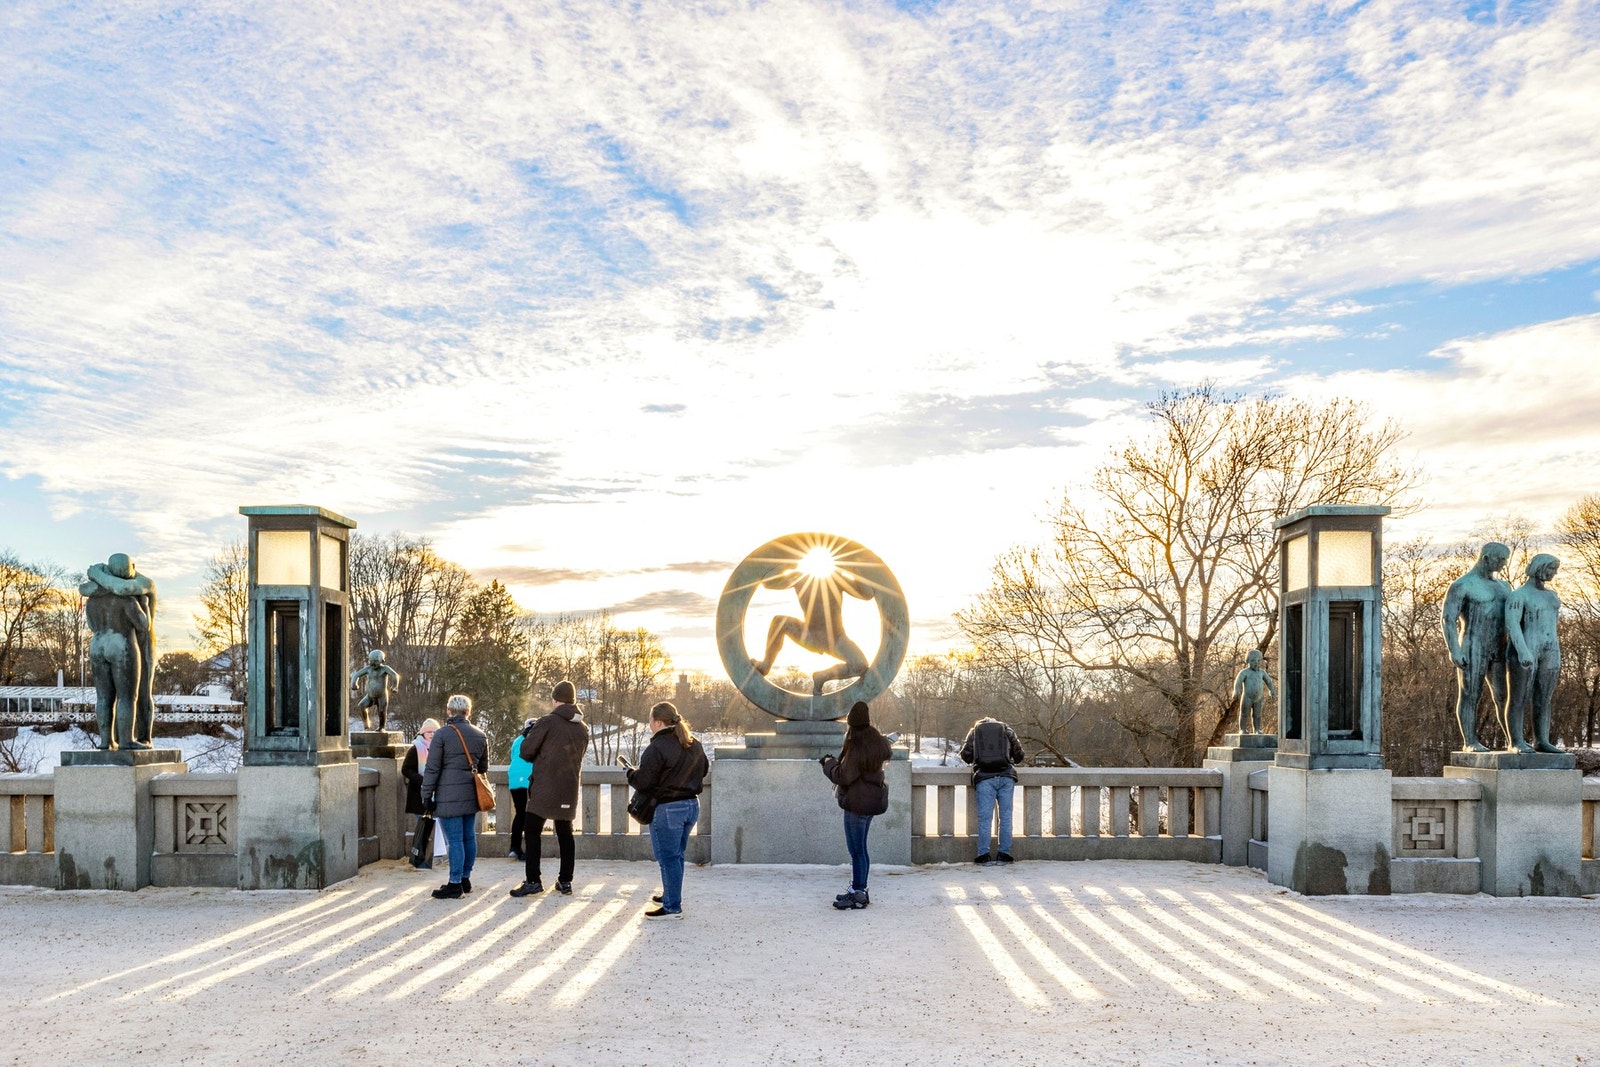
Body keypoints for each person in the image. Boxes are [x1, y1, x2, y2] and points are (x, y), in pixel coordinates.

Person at [627, 701, 708, 919]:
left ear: (659, 722)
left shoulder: (657, 747)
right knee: (677, 855)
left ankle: (672, 906)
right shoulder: (694, 743)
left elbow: (644, 781)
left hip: (669, 809)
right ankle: (671, 895)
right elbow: (704, 769)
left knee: (668, 858)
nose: (649, 724)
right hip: (692, 805)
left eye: (651, 720)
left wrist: (630, 774)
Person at [510, 680, 589, 899]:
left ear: (555, 700)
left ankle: (533, 880)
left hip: (545, 787)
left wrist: (528, 734)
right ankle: (565, 881)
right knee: (565, 833)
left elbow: (526, 752)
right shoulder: (582, 728)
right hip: (569, 787)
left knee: (532, 830)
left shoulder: (547, 722)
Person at [820, 701, 893, 910]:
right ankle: (859, 890)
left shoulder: (856, 745)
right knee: (862, 850)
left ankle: (858, 894)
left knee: (857, 851)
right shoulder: (875, 741)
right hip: (871, 803)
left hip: (857, 804)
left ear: (851, 723)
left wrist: (828, 764)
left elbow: (843, 776)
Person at [1442, 542, 1512, 751]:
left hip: (1500, 647)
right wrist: (1454, 649)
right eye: (1500, 559)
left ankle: (1513, 740)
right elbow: (1447, 619)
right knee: (1471, 693)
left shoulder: (1504, 587)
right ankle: (1470, 742)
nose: (1503, 564)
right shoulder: (1463, 585)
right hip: (1473, 645)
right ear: (1486, 558)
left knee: (1504, 696)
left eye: (1505, 560)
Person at [420, 695, 489, 900]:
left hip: (448, 795)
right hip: (470, 793)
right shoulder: (480, 734)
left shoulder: (442, 735)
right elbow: (483, 768)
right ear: (468, 712)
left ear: (448, 711)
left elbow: (432, 768)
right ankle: (466, 877)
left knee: (454, 840)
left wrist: (426, 795)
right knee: (469, 836)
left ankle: (455, 883)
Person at [1505, 554, 1565, 754]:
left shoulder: (1551, 596)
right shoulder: (1519, 595)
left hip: (1550, 649)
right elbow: (1512, 624)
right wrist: (1522, 650)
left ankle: (1542, 740)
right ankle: (1516, 741)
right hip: (1526, 647)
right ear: (1540, 568)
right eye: (1551, 569)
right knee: (1519, 697)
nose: (1554, 573)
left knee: (1544, 698)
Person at [959, 715, 1025, 865]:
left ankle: (983, 855)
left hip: (984, 778)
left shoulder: (974, 731)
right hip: (1006, 777)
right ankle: (1004, 854)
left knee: (985, 819)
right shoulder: (1007, 729)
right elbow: (1019, 756)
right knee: (1006, 818)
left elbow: (966, 756)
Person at [401, 718, 441, 869]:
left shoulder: (439, 748)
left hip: (436, 794)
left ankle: (433, 858)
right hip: (419, 795)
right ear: (423, 733)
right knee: (423, 828)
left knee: (435, 829)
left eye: (435, 732)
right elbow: (406, 769)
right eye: (429, 732)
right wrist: (423, 780)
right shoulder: (416, 748)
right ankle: (419, 859)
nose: (432, 734)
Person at [1231, 649, 1276, 736]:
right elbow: (1238, 681)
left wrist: (1272, 690)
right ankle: (1242, 729)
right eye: (1253, 661)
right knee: (1244, 713)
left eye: (1258, 661)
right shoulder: (1245, 672)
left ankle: (1257, 729)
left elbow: (1269, 681)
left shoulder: (1262, 672)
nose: (1256, 663)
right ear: (1247, 661)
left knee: (1257, 715)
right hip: (1247, 697)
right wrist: (1236, 690)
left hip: (1258, 698)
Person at [506, 720, 534, 861]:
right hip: (529, 779)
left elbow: (513, 757)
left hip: (514, 779)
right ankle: (529, 850)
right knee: (530, 815)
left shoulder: (517, 740)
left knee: (520, 813)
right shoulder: (536, 739)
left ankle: (514, 847)